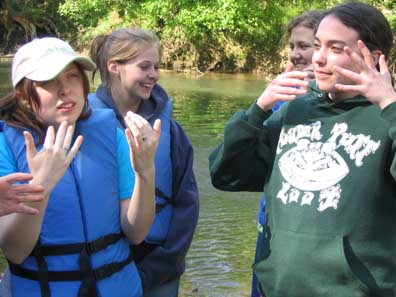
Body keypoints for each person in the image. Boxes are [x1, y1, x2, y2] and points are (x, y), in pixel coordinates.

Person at [210, 2, 396, 296]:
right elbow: (226, 175)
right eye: (318, 45)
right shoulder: (293, 111)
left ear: (372, 57)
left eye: (335, 48)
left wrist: (389, 105)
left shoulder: (388, 119)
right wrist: (258, 110)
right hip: (278, 288)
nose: (318, 59)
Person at [0, 36, 160, 297]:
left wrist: (145, 172)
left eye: (73, 76)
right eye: (49, 81)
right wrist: (40, 187)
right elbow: (16, 251)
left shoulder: (111, 134)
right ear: (23, 96)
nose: (65, 89)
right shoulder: (5, 146)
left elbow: (136, 233)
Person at [88, 27, 199, 297]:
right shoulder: (84, 125)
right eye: (145, 66)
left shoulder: (172, 133)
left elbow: (187, 207)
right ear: (114, 67)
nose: (154, 75)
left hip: (158, 269)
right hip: (99, 269)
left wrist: (155, 270)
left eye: (157, 67)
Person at [251, 10, 322, 297]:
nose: (294, 54)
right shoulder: (281, 99)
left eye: (304, 46)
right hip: (271, 227)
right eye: (292, 46)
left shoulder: (361, 106)